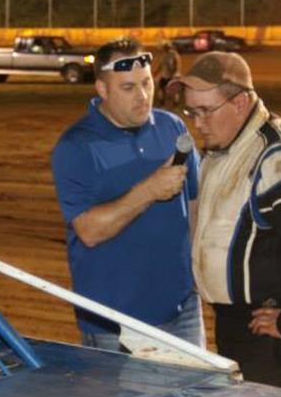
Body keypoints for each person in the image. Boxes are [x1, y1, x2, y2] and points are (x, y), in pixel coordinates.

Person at [174, 51, 281, 394]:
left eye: (206, 111)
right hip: (243, 327)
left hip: (273, 336)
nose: (198, 122)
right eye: (192, 111)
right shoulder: (226, 147)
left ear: (240, 102)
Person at [50, 37, 204, 351]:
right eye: (128, 88)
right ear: (103, 90)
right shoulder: (76, 147)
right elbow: (89, 231)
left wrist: (197, 272)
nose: (143, 96)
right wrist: (149, 190)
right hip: (114, 322)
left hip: (182, 309)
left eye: (146, 83)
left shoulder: (172, 128)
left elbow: (195, 204)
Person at [153, 41, 183, 108]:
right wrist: (156, 72)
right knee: (167, 89)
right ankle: (174, 102)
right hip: (169, 76)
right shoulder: (172, 55)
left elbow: (176, 65)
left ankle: (165, 102)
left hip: (169, 76)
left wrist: (176, 73)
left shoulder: (170, 55)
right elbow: (162, 65)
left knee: (163, 88)